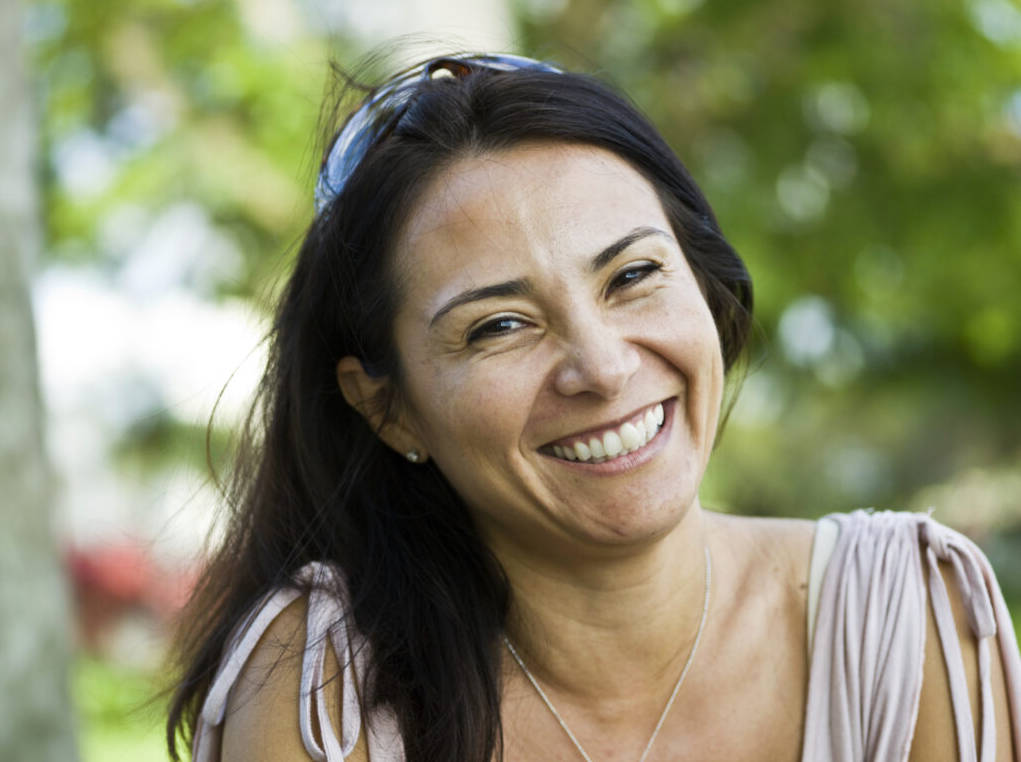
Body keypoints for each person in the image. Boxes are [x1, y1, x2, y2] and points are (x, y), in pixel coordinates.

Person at [166, 52, 1021, 762]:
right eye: (500, 325)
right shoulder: (323, 690)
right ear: (389, 410)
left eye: (633, 276)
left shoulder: (908, 619)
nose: (603, 369)